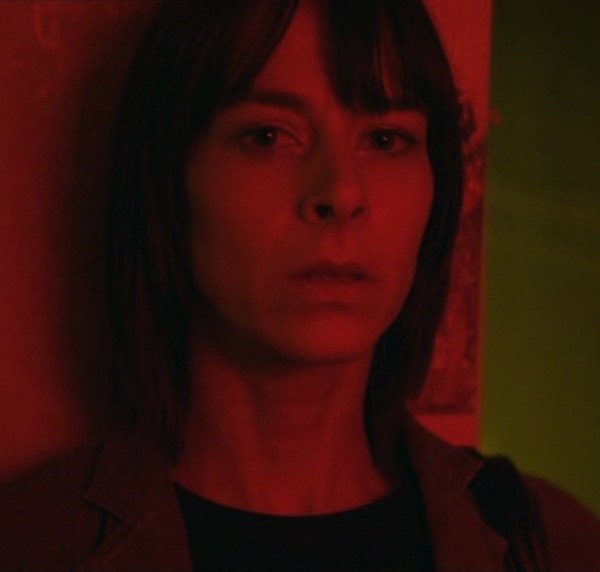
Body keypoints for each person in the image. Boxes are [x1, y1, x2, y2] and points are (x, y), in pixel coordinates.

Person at [1, 0, 599, 570]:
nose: (341, 192)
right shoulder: (32, 544)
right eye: (268, 136)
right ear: (169, 178)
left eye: (386, 139)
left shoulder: (553, 541)